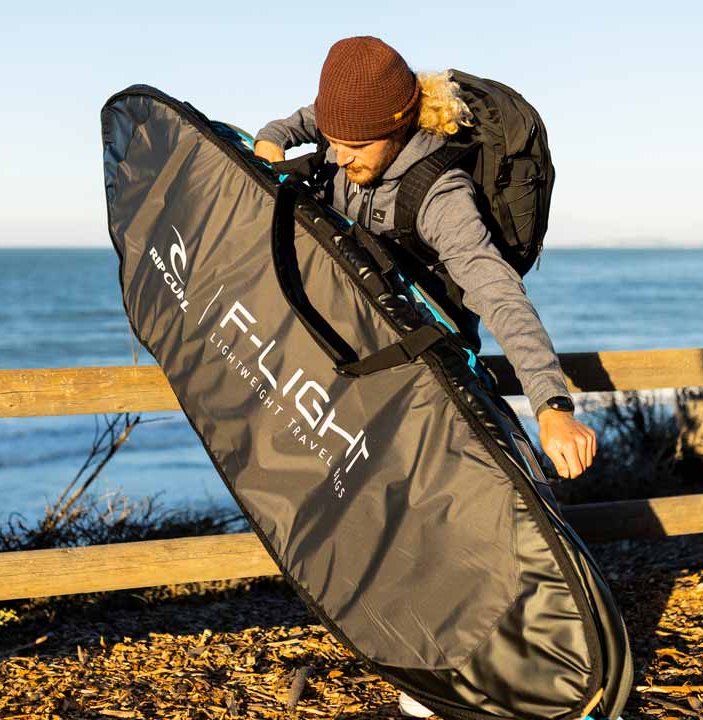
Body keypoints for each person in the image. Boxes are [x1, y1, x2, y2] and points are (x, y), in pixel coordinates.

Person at [254, 36, 602, 719]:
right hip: (362, 351)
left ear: (396, 124)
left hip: (431, 359)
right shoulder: (346, 128)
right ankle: (419, 656)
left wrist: (551, 404)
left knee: (446, 510)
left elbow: (501, 297)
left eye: (355, 149)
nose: (340, 161)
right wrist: (271, 141)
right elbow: (299, 128)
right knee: (375, 505)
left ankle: (492, 671)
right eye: (332, 142)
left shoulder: (440, 194)